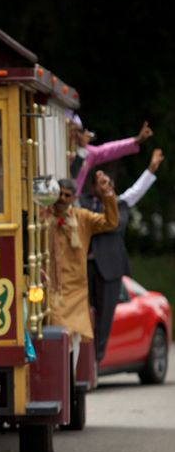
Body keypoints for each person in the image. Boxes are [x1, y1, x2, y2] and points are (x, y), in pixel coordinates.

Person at [80, 148, 164, 362]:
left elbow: (137, 190)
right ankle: (83, 361)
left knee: (105, 318)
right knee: (84, 315)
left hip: (110, 269)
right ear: (92, 187)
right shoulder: (83, 205)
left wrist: (151, 169)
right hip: (84, 268)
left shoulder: (121, 204)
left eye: (109, 183)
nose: (106, 186)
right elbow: (74, 183)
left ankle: (96, 361)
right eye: (101, 183)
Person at [45, 174, 118, 370]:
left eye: (67, 195)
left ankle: (70, 379)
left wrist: (107, 194)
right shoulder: (44, 217)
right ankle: (60, 376)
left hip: (76, 289)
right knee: (58, 333)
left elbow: (110, 222)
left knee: (74, 337)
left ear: (74, 198)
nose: (62, 198)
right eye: (59, 194)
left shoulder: (82, 217)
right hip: (52, 288)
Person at [69, 116, 153, 197]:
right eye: (73, 130)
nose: (77, 135)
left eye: (79, 131)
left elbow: (110, 150)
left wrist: (136, 140)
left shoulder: (87, 152)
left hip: (72, 200)